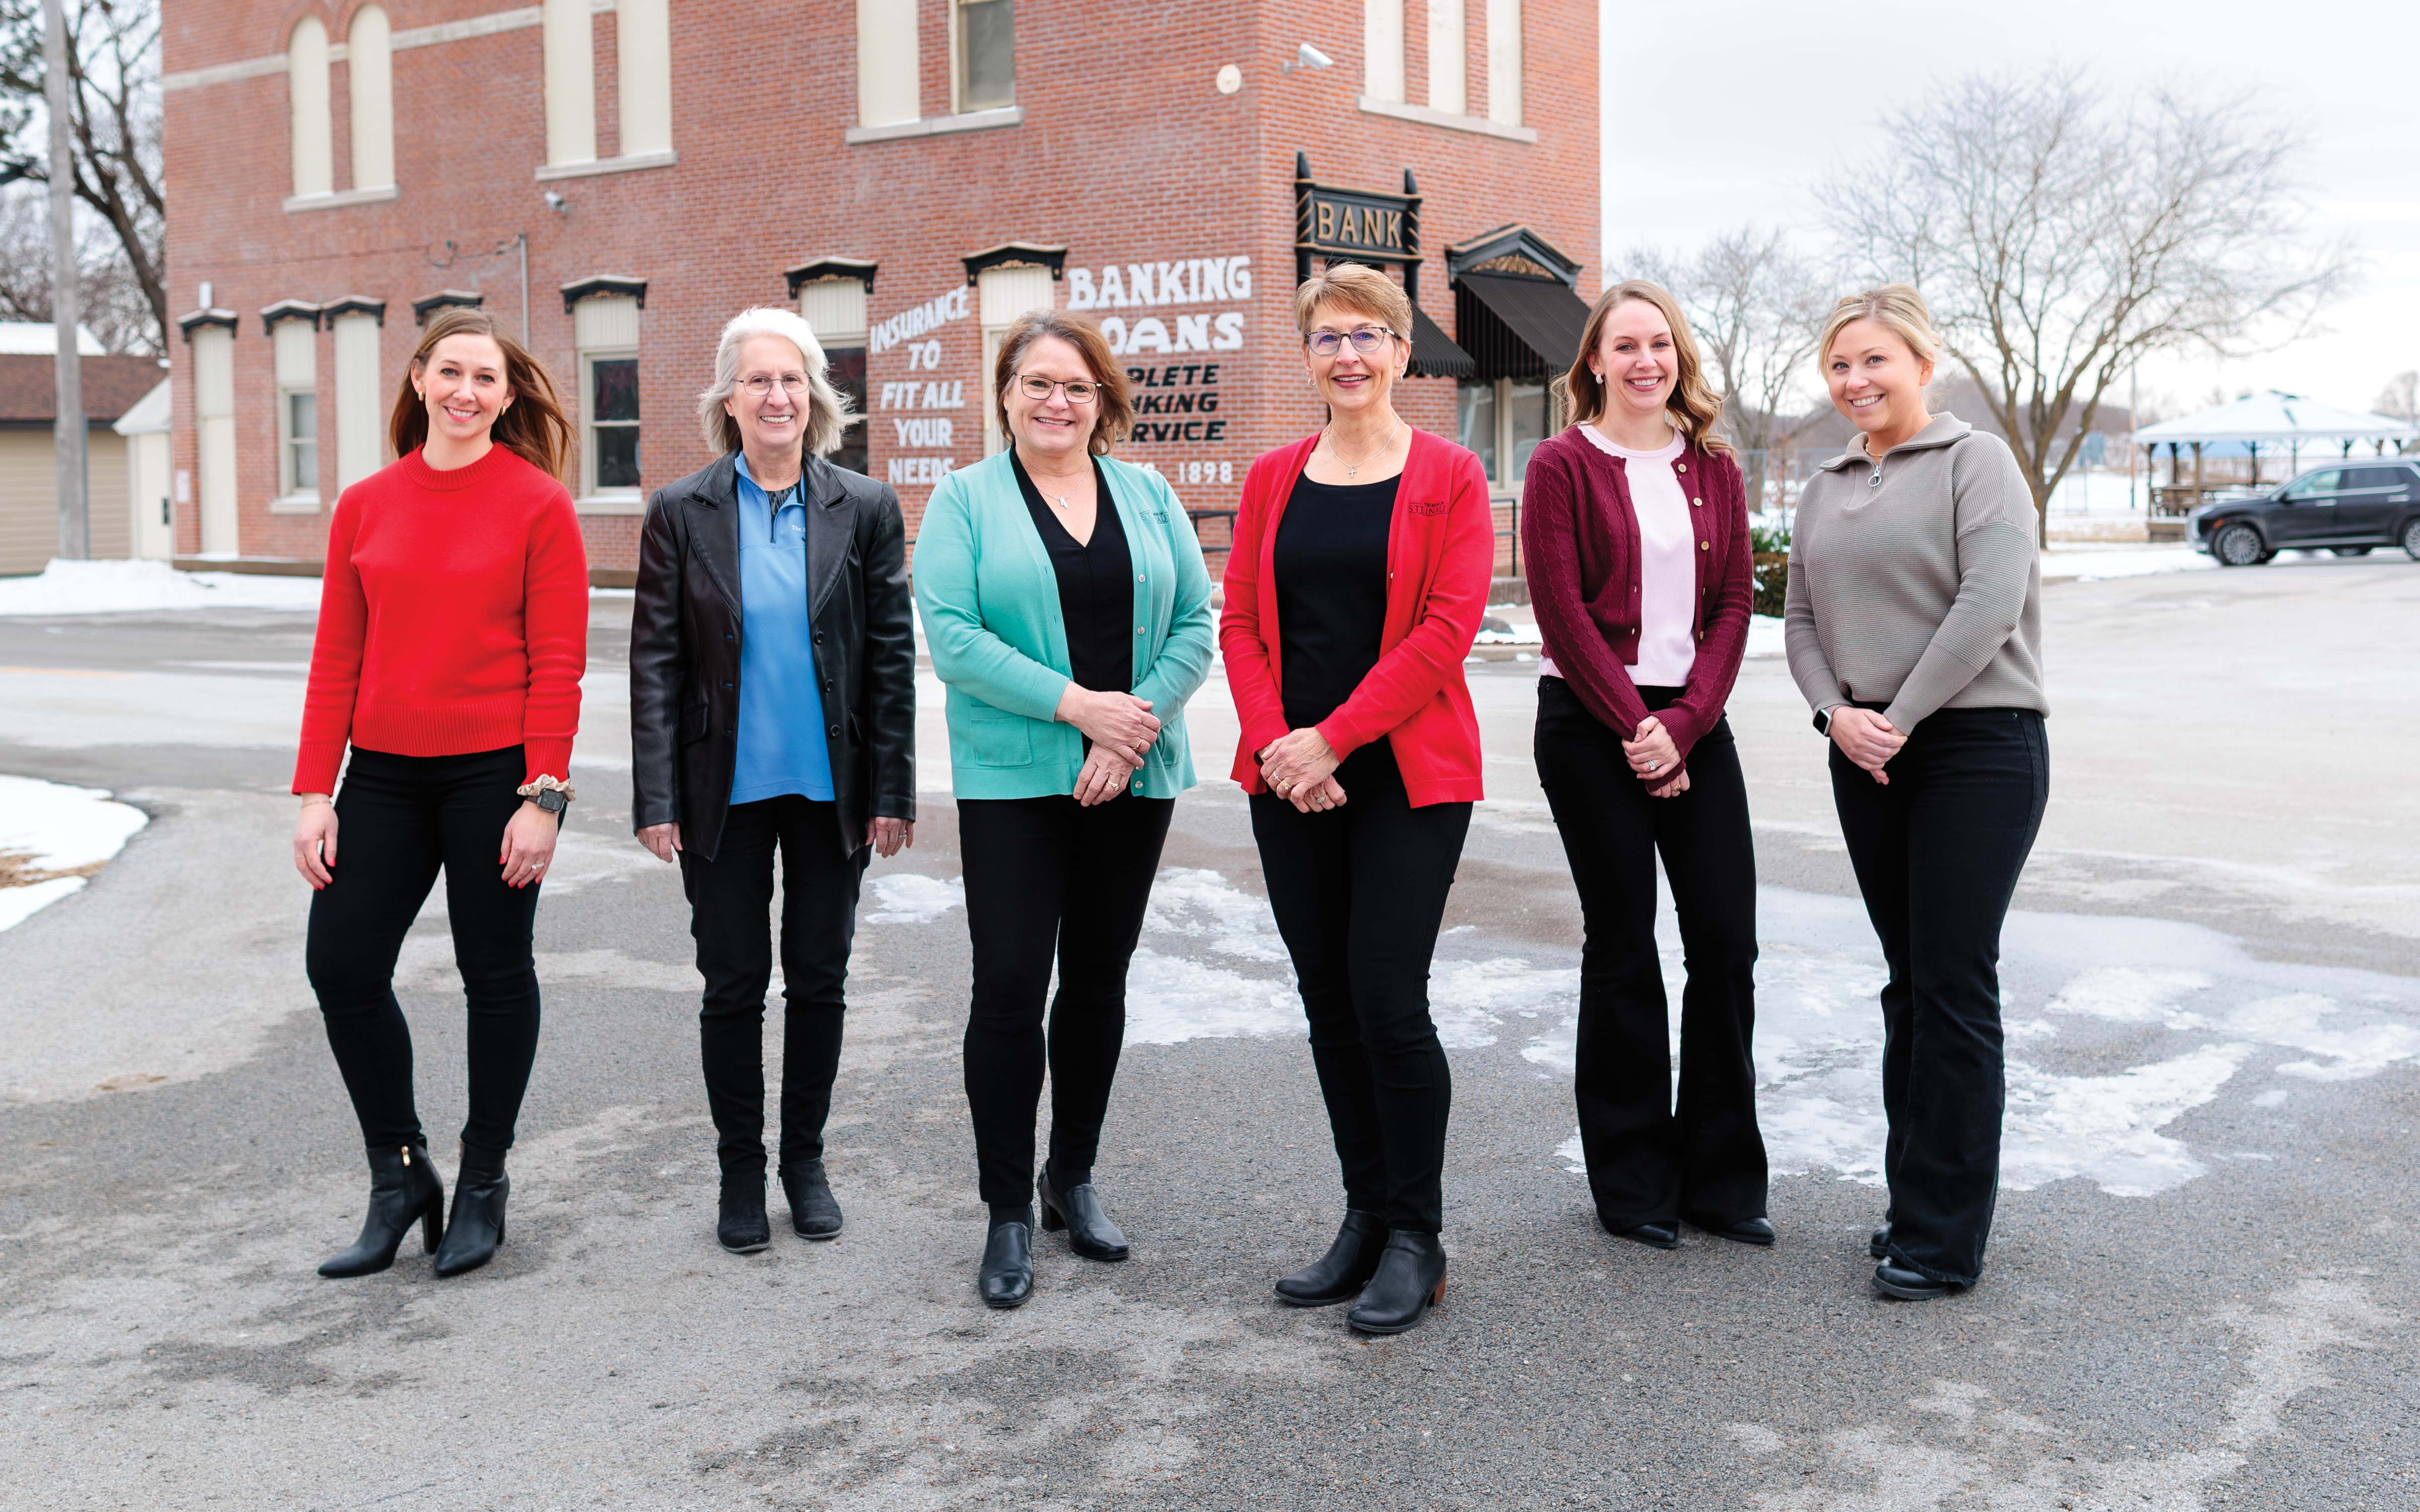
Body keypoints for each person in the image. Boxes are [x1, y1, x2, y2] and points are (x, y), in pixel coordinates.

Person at [913, 309, 1215, 1309]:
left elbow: (1194, 622)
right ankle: (1005, 1209)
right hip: (1013, 782)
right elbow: (951, 635)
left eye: (1077, 387)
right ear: (1006, 395)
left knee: (1095, 981)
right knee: (1007, 985)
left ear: (1102, 403)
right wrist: (1079, 710)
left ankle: (1068, 1179)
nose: (1057, 401)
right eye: (1038, 383)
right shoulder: (962, 500)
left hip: (1132, 778)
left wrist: (1130, 732)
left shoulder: (1148, 490)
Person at [1221, 263, 1491, 1336]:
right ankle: (1365, 1215)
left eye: (1368, 335)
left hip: (1407, 777)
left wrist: (1332, 737)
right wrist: (1281, 747)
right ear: (1306, 355)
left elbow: (1445, 630)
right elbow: (1238, 620)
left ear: (1399, 350)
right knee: (1328, 1002)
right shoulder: (1272, 476)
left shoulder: (1451, 475)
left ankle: (1417, 1236)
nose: (1348, 355)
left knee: (1387, 1000)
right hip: (1290, 777)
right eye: (1328, 338)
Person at [292, 307, 587, 1280]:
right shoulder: (366, 504)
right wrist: (313, 790)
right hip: (379, 773)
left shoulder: (538, 503)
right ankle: (400, 1172)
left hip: (492, 773)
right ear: (419, 378)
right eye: (450, 372)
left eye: (486, 379)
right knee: (341, 965)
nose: (466, 391)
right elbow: (336, 656)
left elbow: (559, 663)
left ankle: (485, 1181)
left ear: (507, 397)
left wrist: (542, 796)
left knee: (493, 974)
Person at [629, 308, 916, 1255]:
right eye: (757, 380)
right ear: (728, 398)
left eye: (792, 379)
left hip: (831, 788)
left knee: (821, 981)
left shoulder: (864, 507)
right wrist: (657, 799)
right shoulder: (682, 510)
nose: (776, 396)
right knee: (732, 986)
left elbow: (886, 661)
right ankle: (740, 1172)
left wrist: (892, 790)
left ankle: (805, 1161)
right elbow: (656, 664)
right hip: (722, 791)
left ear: (817, 397)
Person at [1785, 285, 2048, 1301]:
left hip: (1976, 743)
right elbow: (1800, 618)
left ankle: (1944, 1239)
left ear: (1921, 365)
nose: (1855, 381)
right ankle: (1911, 1200)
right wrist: (1834, 716)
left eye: (1874, 361)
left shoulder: (1975, 461)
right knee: (1908, 981)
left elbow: (1991, 602)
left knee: (1950, 982)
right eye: (1840, 365)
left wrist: (1900, 711)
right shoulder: (1824, 483)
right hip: (1863, 750)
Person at [1519, 281, 1767, 1254]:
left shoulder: (1713, 467)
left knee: (1725, 944)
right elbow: (1561, 612)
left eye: (1658, 343)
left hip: (1694, 724)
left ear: (1678, 356)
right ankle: (1631, 1180)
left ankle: (1720, 1178)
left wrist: (1688, 721)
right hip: (1589, 725)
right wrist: (1637, 727)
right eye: (1623, 345)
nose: (1643, 361)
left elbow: (1735, 606)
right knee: (1622, 946)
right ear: (1593, 363)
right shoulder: (1559, 465)